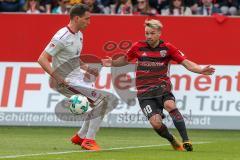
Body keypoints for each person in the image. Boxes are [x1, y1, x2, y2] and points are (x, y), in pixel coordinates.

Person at [102, 19, 215, 152]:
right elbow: (125, 59)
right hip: (144, 92)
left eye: (152, 33)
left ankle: (186, 140)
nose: (149, 36)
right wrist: (113, 63)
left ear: (159, 33)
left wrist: (200, 70)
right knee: (156, 123)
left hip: (162, 87)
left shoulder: (168, 48)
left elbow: (185, 62)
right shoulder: (137, 46)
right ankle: (172, 139)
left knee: (170, 105)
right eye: (147, 33)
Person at [38, 4, 112, 151]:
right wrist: (59, 78)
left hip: (78, 78)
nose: (89, 22)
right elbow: (42, 59)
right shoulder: (61, 37)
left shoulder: (79, 34)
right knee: (102, 102)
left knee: (98, 105)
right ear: (77, 18)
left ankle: (80, 136)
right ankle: (88, 140)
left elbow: (74, 58)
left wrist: (88, 68)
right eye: (87, 19)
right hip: (66, 81)